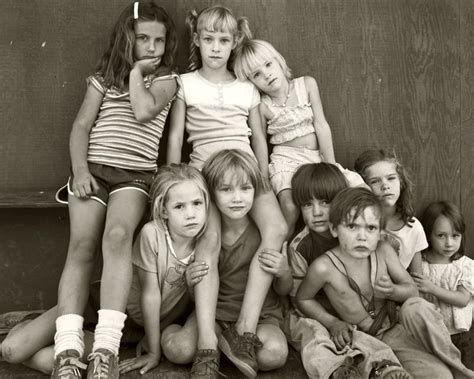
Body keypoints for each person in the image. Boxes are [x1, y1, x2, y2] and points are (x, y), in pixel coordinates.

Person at [50, 2, 179, 377]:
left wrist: (139, 73)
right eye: (143, 39)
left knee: (118, 236)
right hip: (92, 170)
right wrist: (78, 170)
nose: (152, 47)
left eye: (159, 40)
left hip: (135, 176)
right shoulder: (103, 77)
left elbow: (142, 112)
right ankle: (68, 351)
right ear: (128, 38)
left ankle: (104, 349)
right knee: (82, 246)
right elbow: (81, 127)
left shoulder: (168, 79)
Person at [166, 6, 287, 378]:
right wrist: (174, 177)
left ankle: (244, 331)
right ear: (198, 41)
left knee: (277, 229)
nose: (215, 48)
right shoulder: (186, 84)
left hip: (247, 171)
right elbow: (175, 135)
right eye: (208, 39)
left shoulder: (246, 87)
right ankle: (205, 344)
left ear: (234, 43)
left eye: (223, 40)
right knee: (210, 241)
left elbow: (257, 135)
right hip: (205, 172)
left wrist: (264, 174)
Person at [1, 164, 209, 378]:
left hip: (130, 330)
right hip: (105, 305)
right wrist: (155, 352)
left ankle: (46, 334)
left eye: (197, 203)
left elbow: (186, 299)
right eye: (179, 206)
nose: (191, 214)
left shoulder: (206, 242)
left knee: (47, 361)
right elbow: (150, 295)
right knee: (12, 350)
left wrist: (191, 286)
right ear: (163, 210)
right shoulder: (153, 235)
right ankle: (27, 323)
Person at [296, 187, 474, 378]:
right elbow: (303, 299)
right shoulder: (323, 267)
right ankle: (386, 370)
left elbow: (412, 290)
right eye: (352, 227)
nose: (362, 236)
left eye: (370, 228)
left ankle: (458, 368)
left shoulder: (383, 251)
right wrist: (332, 323)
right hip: (360, 337)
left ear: (380, 232)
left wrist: (393, 291)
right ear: (334, 229)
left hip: (394, 330)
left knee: (440, 374)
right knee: (371, 364)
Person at [233, 39, 365, 237]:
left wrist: (330, 165)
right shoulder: (262, 106)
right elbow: (259, 140)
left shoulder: (307, 85)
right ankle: (279, 248)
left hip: (316, 157)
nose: (266, 75)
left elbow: (321, 125)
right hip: (285, 161)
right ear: (251, 83)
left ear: (279, 61)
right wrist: (263, 176)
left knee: (360, 189)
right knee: (289, 205)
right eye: (257, 75)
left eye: (268, 65)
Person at [183, 149, 288, 377]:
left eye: (245, 189)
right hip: (217, 313)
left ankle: (239, 340)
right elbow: (197, 291)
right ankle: (217, 344)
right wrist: (189, 284)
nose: (237, 198)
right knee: (178, 349)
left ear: (255, 190)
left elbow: (284, 289)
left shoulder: (262, 233)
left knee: (274, 354)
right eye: (226, 190)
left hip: (262, 316)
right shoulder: (204, 236)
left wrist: (284, 272)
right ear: (212, 194)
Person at [413, 201, 474, 369]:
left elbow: (463, 299)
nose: (449, 243)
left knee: (465, 372)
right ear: (428, 235)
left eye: (455, 236)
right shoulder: (420, 265)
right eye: (441, 235)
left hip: (462, 335)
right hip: (433, 335)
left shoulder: (465, 265)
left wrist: (432, 288)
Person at [354, 149, 427, 273]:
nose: (385, 186)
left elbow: (418, 278)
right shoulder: (358, 225)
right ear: (364, 186)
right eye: (375, 181)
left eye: (391, 178)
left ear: (401, 182)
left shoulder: (414, 227)